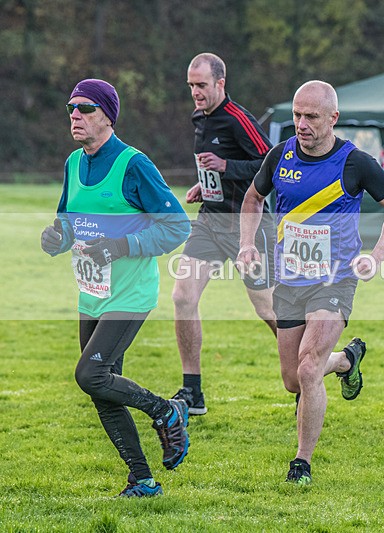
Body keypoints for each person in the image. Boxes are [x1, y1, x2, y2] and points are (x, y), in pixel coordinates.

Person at [238, 80, 384, 485]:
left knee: (310, 367)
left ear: (333, 118)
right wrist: (247, 243)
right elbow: (251, 199)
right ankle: (347, 360)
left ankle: (302, 463)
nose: (301, 123)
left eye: (311, 116)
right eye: (297, 115)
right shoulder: (279, 156)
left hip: (336, 280)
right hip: (291, 281)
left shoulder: (356, 163)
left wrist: (376, 255)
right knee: (293, 380)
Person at [40, 79, 191, 497]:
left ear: (107, 115)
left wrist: (121, 246)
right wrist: (57, 238)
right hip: (92, 294)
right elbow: (68, 222)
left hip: (130, 294)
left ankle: (167, 411)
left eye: (84, 108)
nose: (74, 114)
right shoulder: (73, 163)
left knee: (91, 373)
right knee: (102, 386)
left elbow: (177, 226)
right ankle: (141, 479)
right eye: (71, 107)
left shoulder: (134, 165)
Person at [171, 53, 276, 416]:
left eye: (201, 85)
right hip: (211, 221)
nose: (195, 93)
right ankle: (192, 391)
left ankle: (323, 364)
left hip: (248, 224)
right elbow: (214, 168)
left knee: (269, 310)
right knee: (182, 295)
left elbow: (271, 165)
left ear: (220, 83)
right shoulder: (200, 118)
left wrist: (226, 167)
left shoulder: (238, 120)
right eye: (191, 86)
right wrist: (205, 185)